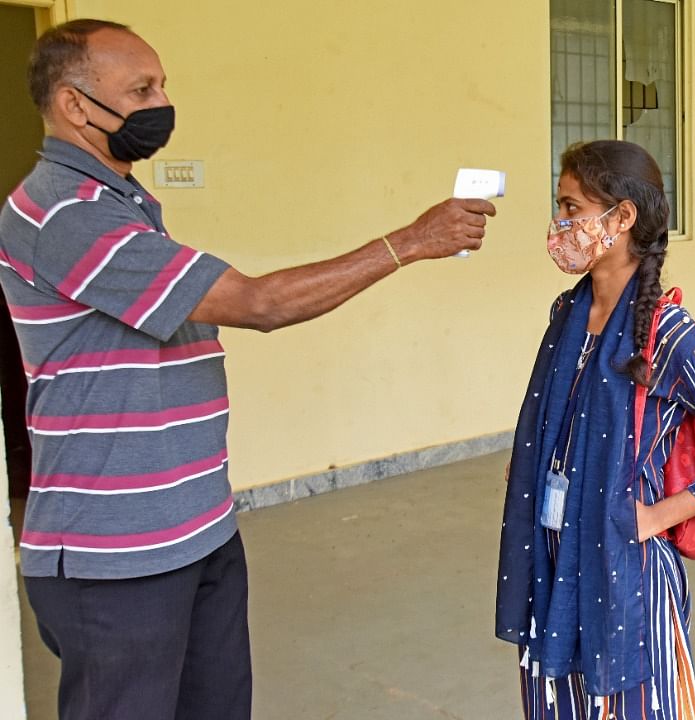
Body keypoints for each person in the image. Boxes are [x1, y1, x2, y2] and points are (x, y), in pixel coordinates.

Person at [1, 20, 496, 720]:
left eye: (164, 84)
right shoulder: (64, 213)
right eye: (141, 89)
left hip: (196, 526)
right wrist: (412, 241)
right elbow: (260, 303)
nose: (162, 101)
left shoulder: (123, 203)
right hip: (117, 555)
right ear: (76, 106)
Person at [495, 140, 695, 719]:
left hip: (627, 570)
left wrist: (653, 517)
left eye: (574, 208)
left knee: (632, 704)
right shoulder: (567, 314)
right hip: (555, 549)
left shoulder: (669, 333)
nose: (561, 224)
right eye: (561, 206)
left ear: (622, 218)